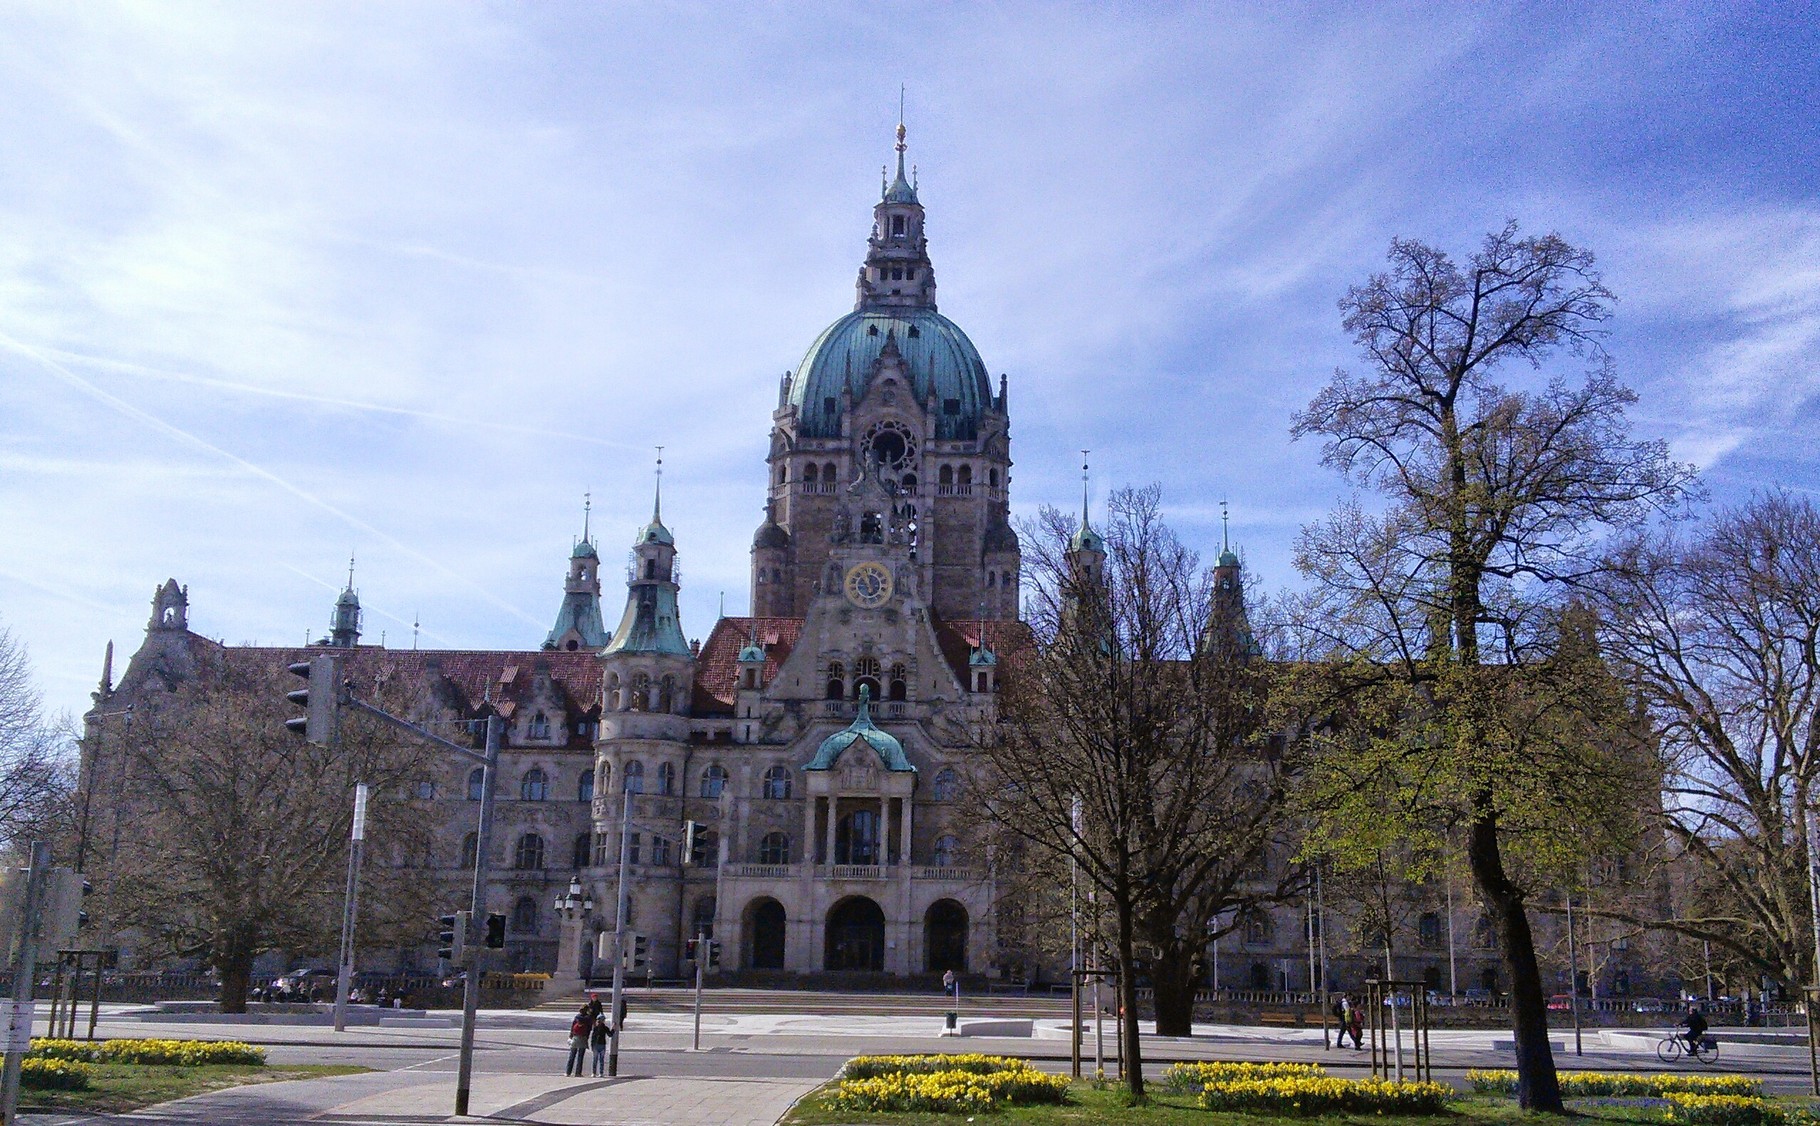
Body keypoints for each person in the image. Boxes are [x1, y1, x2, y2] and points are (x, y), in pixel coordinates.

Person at [565, 1004, 594, 1077]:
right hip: (583, 1038)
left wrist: (570, 1036)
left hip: (575, 1037)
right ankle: (578, 1073)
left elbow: (572, 1027)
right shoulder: (588, 1018)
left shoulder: (577, 1017)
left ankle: (568, 1072)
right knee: (580, 1056)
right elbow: (589, 1029)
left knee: (572, 1055)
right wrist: (587, 1037)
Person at [589, 1009, 610, 1076]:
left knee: (596, 1060)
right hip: (601, 1044)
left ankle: (594, 1073)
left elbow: (593, 1037)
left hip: (597, 1044)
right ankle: (600, 1073)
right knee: (601, 1060)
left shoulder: (596, 1028)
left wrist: (592, 1045)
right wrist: (613, 1028)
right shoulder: (604, 1028)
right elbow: (610, 1034)